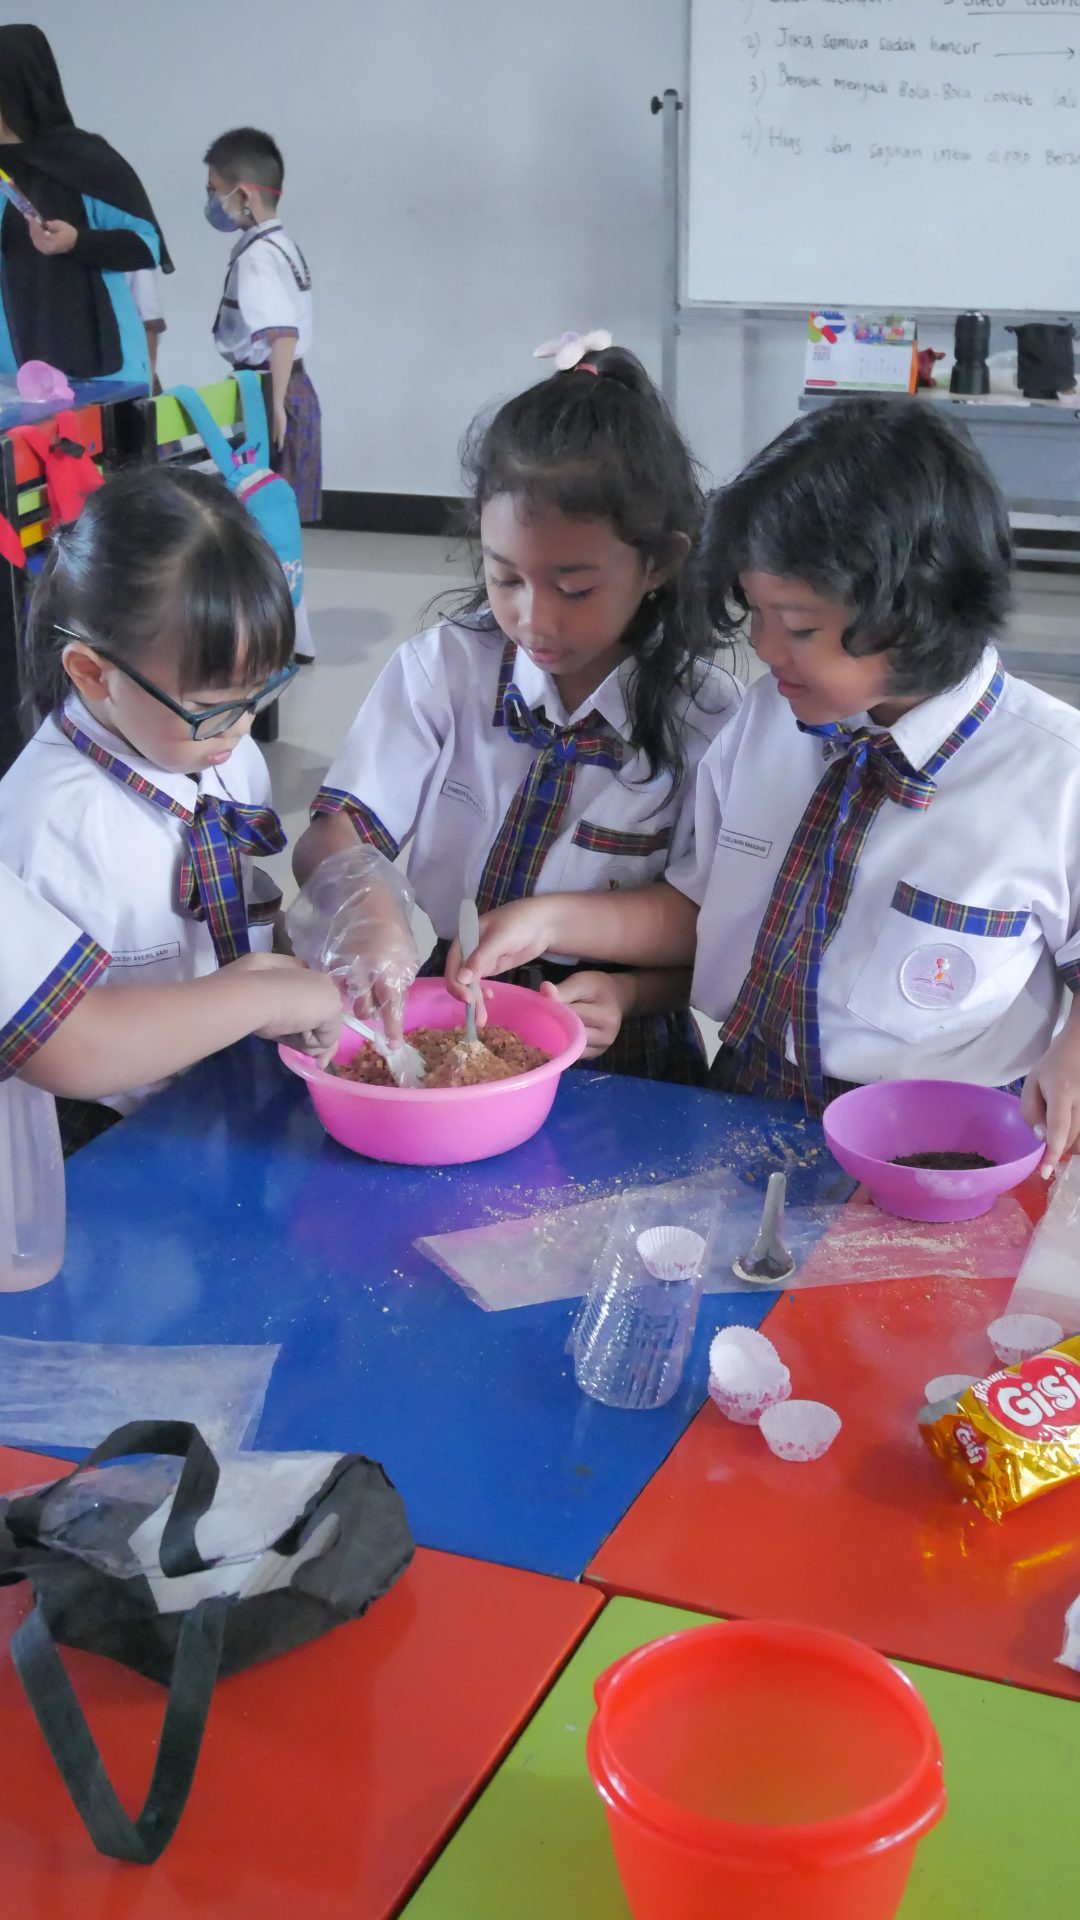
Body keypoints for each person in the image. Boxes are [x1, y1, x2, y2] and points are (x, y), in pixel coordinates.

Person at [449, 395, 1080, 1174]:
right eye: (756, 612)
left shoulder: (1054, 773)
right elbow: (699, 909)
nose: (765, 647)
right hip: (748, 1101)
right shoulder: (766, 723)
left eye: (800, 625)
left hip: (941, 1143)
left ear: (917, 613)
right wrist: (549, 921)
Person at [293, 337, 737, 1080]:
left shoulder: (705, 720)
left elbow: (704, 926)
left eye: (574, 588)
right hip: (450, 1002)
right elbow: (334, 832)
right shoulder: (445, 670)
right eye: (506, 579)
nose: (534, 619)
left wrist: (622, 984)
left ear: (659, 563)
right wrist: (365, 903)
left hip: (614, 1036)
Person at [0, 463, 300, 1147]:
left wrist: (303, 949)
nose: (240, 728)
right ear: (91, 672)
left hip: (213, 1086)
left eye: (256, 694)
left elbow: (237, 904)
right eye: (208, 707)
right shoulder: (45, 824)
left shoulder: (221, 754)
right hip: (102, 1128)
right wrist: (261, 995)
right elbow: (65, 1045)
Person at [1, 863, 340, 1095]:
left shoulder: (230, 777)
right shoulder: (44, 816)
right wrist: (268, 998)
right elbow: (71, 1044)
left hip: (202, 1090)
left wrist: (279, 944)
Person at [0, 24, 170, 385]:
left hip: (99, 376)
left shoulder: (85, 161)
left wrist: (76, 241)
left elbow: (146, 246)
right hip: (15, 383)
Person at [204, 126, 321, 525]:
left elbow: (283, 334)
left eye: (214, 190)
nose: (212, 202)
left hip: (270, 388)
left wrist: (275, 406)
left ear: (244, 196)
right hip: (289, 385)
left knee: (260, 512)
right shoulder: (281, 245)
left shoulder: (256, 258)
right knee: (277, 514)